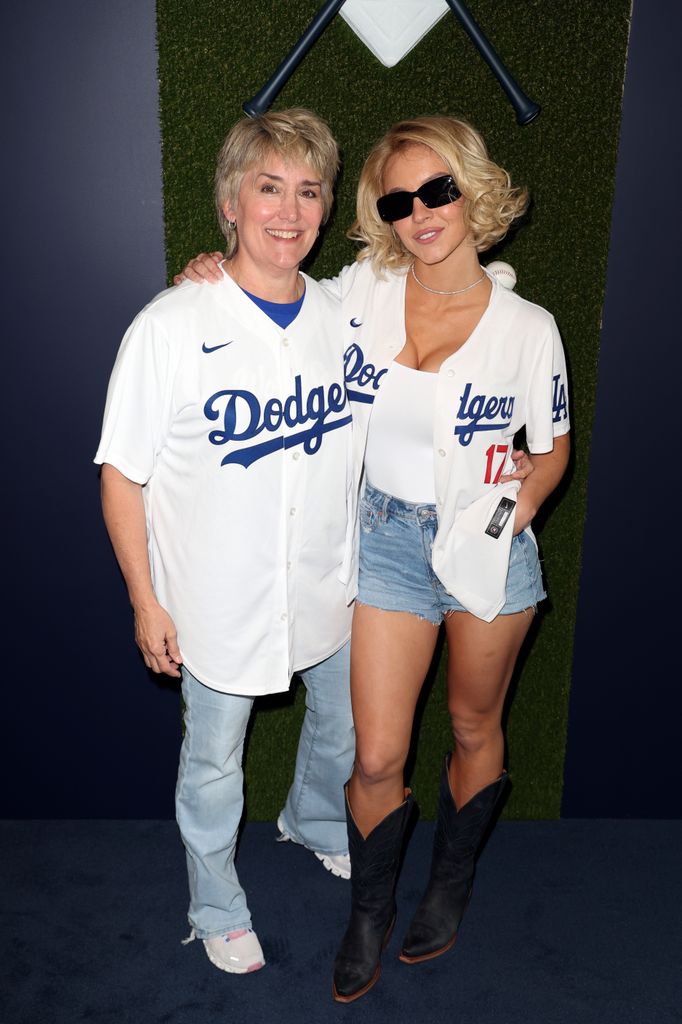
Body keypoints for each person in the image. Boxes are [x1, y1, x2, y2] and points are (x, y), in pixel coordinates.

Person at [180, 113, 570, 1002]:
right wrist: (206, 275)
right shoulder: (358, 291)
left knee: (475, 728)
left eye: (439, 190)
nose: (421, 212)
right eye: (399, 199)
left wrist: (516, 514)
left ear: (475, 190)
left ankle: (451, 882)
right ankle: (370, 910)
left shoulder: (526, 327)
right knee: (377, 755)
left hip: (488, 551)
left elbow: (550, 450)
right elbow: (266, 291)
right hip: (384, 542)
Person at [94, 108, 358, 977]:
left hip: (327, 585)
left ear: (327, 208)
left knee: (344, 725)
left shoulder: (346, 314)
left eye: (308, 190)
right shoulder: (170, 325)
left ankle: (314, 820)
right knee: (213, 764)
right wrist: (146, 597)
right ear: (230, 204)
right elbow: (121, 473)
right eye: (268, 187)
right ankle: (215, 904)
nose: (289, 210)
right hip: (215, 599)